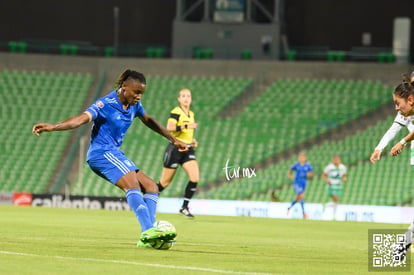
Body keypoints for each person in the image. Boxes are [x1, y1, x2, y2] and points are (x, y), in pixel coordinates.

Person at [32, 69, 188, 248]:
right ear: (124, 87)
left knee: (151, 186)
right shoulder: (105, 104)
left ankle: (149, 233)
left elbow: (149, 120)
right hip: (100, 154)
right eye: (136, 92)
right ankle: (148, 231)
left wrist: (174, 139)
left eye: (141, 93)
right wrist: (53, 127)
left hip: (114, 153)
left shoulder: (134, 105)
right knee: (132, 183)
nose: (139, 97)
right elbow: (81, 119)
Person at [380, 73, 414, 258]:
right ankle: (403, 243)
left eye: (397, 104)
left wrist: (402, 142)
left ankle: (403, 243)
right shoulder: (408, 112)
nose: (396, 108)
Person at [156, 88, 199, 218]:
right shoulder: (176, 112)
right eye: (183, 96)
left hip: (187, 149)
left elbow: (187, 134)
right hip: (175, 149)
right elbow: (169, 128)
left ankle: (184, 207)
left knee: (195, 178)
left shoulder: (191, 114)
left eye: (188, 96)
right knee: (164, 183)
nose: (186, 98)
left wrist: (192, 140)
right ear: (179, 99)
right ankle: (147, 198)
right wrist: (186, 126)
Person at [286, 151, 314, 219]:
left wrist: (308, 174)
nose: (301, 158)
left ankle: (289, 208)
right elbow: (290, 169)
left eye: (303, 157)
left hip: (303, 183)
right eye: (300, 157)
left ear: (305, 158)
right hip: (296, 183)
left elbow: (312, 174)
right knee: (301, 195)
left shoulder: (308, 165)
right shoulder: (296, 165)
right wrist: (290, 175)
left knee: (298, 198)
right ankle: (304, 213)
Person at [321, 155, 347, 220]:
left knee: (336, 201)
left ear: (340, 160)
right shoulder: (329, 167)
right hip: (331, 185)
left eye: (337, 159)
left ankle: (333, 214)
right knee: (335, 198)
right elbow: (323, 175)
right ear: (333, 160)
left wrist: (344, 179)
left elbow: (344, 176)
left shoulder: (343, 167)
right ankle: (332, 213)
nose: (336, 160)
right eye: (335, 159)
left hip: (338, 185)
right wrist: (327, 180)